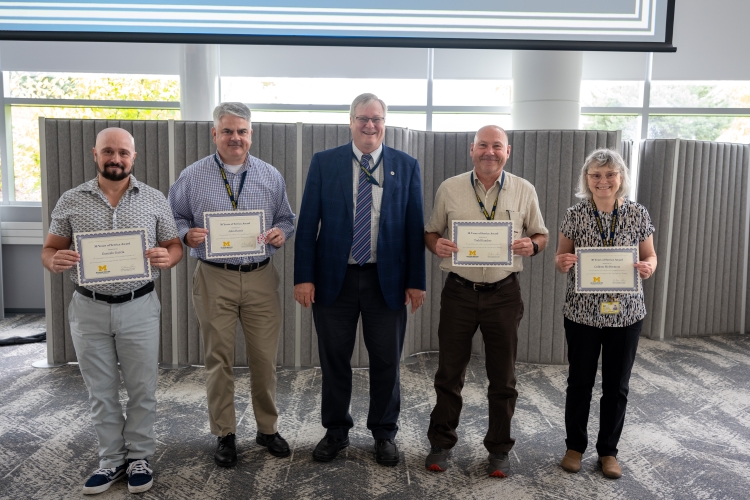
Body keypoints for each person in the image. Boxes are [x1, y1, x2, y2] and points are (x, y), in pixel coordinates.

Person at [42, 127, 183, 495]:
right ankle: (110, 461)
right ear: (95, 154)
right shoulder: (71, 200)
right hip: (88, 307)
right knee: (99, 390)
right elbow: (49, 248)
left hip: (139, 304)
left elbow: (173, 245)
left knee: (142, 388)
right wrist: (54, 260)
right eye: (108, 151)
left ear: (133, 157)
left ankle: (139, 456)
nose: (115, 158)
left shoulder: (154, 199)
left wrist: (168, 257)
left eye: (123, 152)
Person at [293, 93, 426, 466]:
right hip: (335, 280)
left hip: (387, 281)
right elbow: (307, 225)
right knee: (334, 360)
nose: (370, 126)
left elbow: (415, 229)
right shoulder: (325, 163)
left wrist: (416, 281)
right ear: (350, 121)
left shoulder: (407, 165)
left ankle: (384, 432)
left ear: (385, 123)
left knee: (387, 361)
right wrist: (303, 276)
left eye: (377, 119)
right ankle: (336, 431)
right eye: (363, 118)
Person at [168, 102, 296, 467]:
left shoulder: (271, 175)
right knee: (218, 359)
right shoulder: (192, 176)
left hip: (260, 277)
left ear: (251, 135)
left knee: (264, 359)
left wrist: (280, 233)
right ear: (215, 133)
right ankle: (224, 432)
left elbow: (287, 218)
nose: (235, 137)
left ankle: (267, 428)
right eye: (227, 131)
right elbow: (172, 214)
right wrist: (184, 233)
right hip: (213, 276)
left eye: (241, 131)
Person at [423, 125, 549, 478]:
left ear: (507, 152)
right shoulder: (449, 188)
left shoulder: (524, 190)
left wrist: (533, 245)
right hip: (459, 292)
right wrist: (436, 244)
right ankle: (441, 444)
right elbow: (431, 230)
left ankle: (499, 449)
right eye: (483, 145)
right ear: (471, 149)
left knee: (503, 378)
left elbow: (541, 233)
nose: (489, 151)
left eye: (497, 146)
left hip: (504, 294)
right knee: (449, 373)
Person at [554, 148, 656, 479]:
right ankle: (574, 447)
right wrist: (563, 263)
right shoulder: (575, 214)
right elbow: (560, 257)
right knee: (579, 383)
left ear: (621, 177)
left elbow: (651, 256)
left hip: (626, 314)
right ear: (587, 179)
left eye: (610, 174)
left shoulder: (638, 214)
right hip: (582, 313)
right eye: (596, 175)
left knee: (617, 385)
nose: (603, 181)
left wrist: (647, 268)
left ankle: (608, 452)